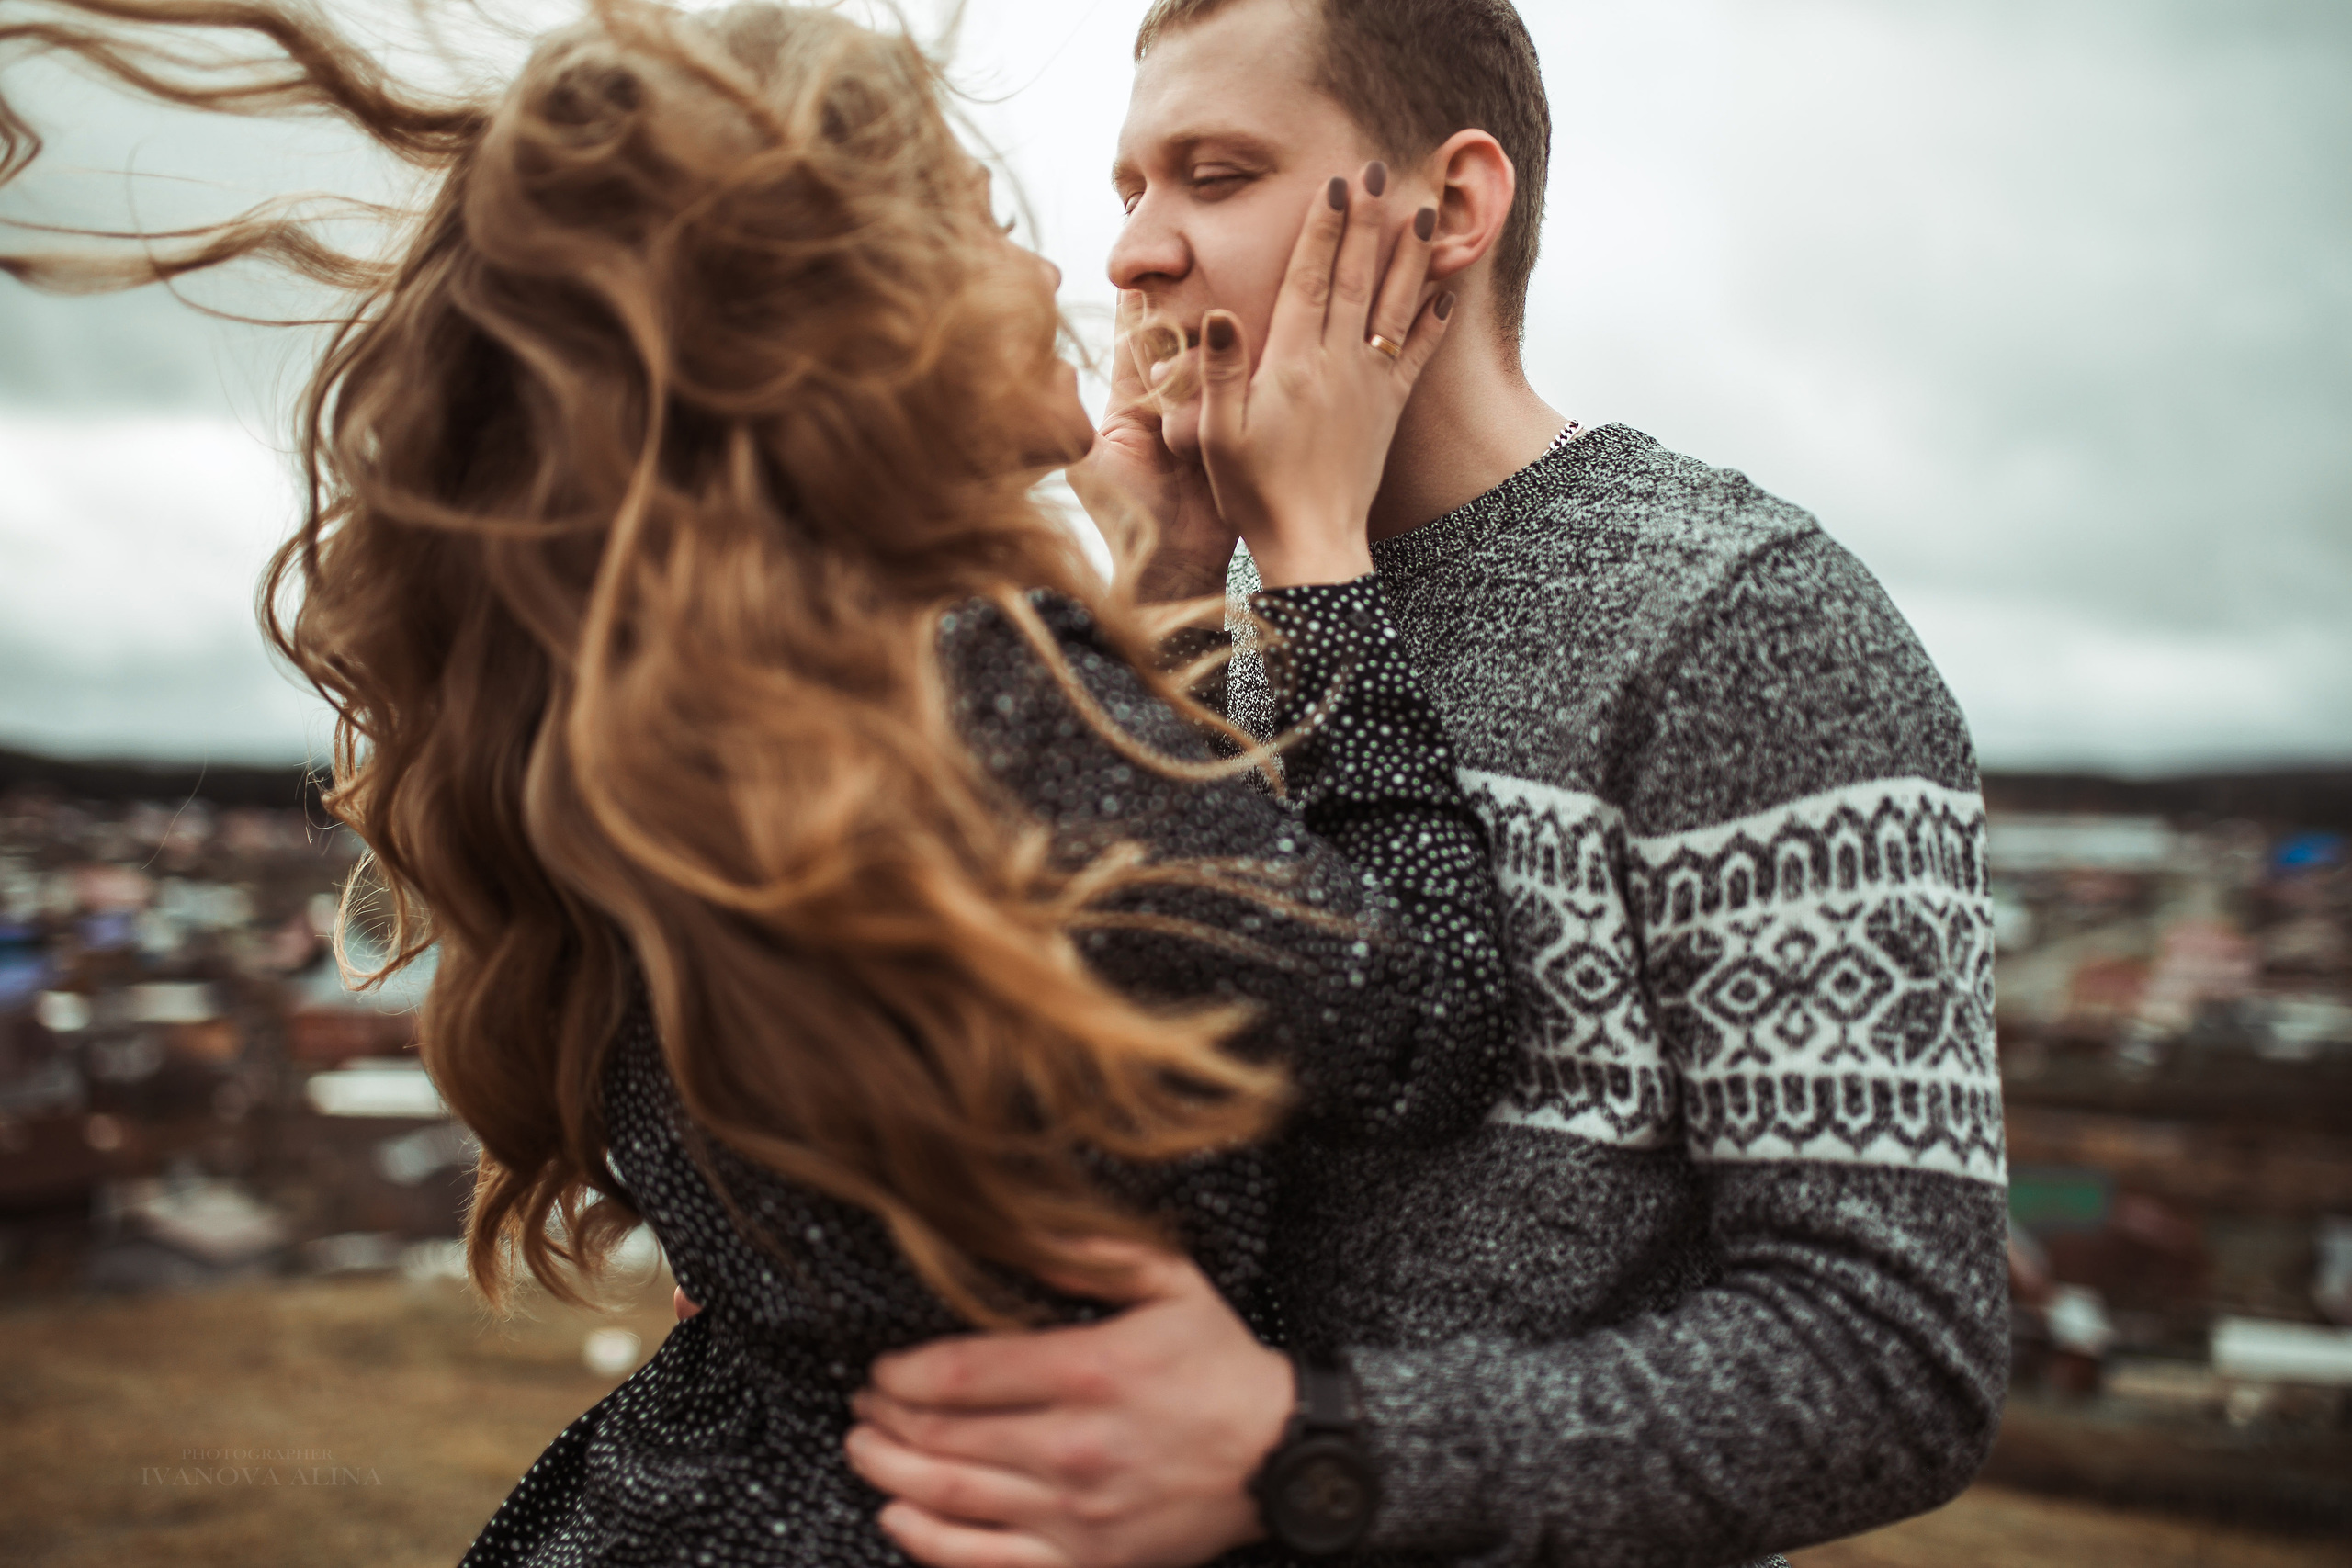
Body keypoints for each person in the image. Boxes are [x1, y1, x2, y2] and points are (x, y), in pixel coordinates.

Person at [0, 1, 1523, 1563]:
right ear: (864, 314)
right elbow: (1423, 1016)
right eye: (994, 229)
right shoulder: (979, 685)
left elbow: (1118, 937)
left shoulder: (678, 719)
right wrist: (1324, 557)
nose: (1075, 269)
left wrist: (1155, 593)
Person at [840, 3, 2011, 1567]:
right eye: (1128, 189)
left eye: (1217, 173)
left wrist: (1306, 1452)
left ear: (1450, 211)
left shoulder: (1743, 624)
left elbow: (1890, 1361)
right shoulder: (1215, 623)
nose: (1132, 256)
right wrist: (1162, 608)